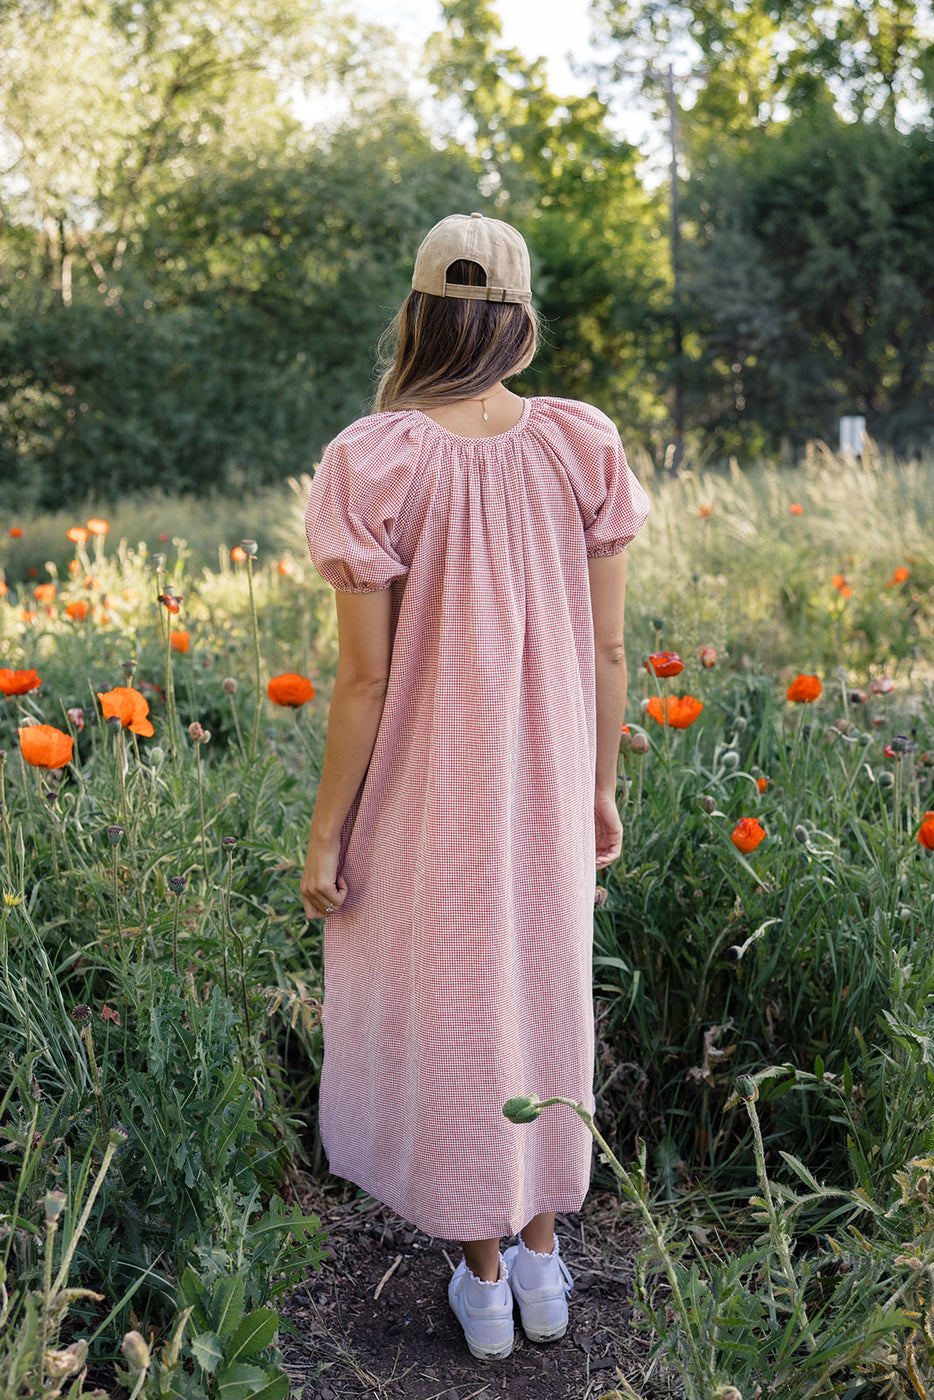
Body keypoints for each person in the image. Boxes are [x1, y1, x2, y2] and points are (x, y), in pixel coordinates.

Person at [300, 211, 649, 1362]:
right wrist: (597, 788)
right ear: (520, 319)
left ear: (417, 314)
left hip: (425, 798)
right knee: (540, 994)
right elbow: (605, 655)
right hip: (546, 784)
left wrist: (326, 831)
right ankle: (545, 1262)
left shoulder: (375, 456)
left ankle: (484, 1278)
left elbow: (362, 676)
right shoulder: (578, 444)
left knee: (451, 1008)